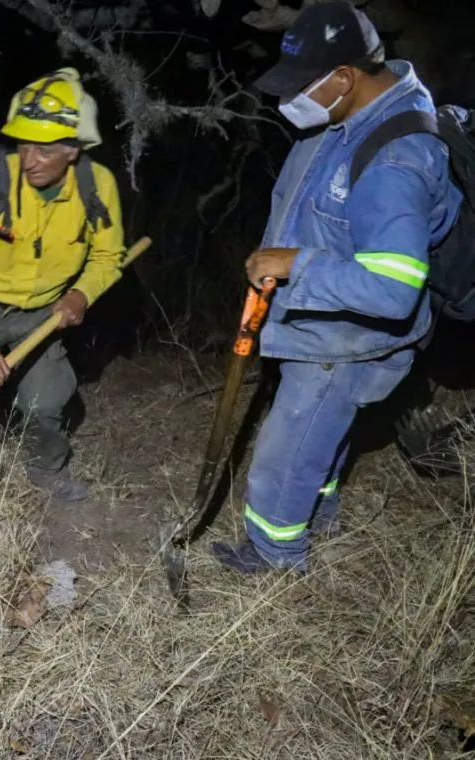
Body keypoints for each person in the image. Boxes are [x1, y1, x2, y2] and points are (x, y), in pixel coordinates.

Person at [211, 2, 463, 574]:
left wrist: (297, 263)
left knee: (289, 448)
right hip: (325, 326)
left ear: (345, 77)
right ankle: (317, 520)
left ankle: (275, 555)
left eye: (302, 87)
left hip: (345, 339)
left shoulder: (396, 158)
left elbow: (391, 290)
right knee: (320, 437)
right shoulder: (352, 117)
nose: (289, 100)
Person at [0, 67, 126, 501]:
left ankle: (45, 472)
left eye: (45, 149)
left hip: (43, 316)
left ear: (73, 149)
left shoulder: (98, 186)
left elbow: (109, 257)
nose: (29, 159)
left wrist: (81, 293)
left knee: (49, 400)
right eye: (23, 144)